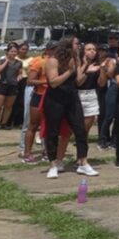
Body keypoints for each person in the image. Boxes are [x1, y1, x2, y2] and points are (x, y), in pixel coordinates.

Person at [43, 39, 99, 179]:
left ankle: (83, 162)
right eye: (76, 43)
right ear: (67, 45)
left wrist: (86, 68)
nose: (79, 46)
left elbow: (78, 81)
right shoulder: (53, 61)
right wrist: (69, 71)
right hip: (55, 99)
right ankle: (53, 165)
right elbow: (54, 82)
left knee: (80, 130)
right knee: (53, 132)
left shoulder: (75, 59)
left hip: (72, 97)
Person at [21, 42, 51, 163]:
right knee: (33, 125)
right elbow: (30, 80)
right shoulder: (39, 61)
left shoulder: (59, 62)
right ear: (47, 50)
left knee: (49, 125)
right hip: (39, 95)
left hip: (51, 96)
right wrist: (46, 83)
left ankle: (47, 151)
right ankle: (27, 152)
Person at [76, 42, 106, 139]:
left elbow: (101, 84)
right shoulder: (78, 63)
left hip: (91, 94)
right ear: (83, 52)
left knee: (87, 126)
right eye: (89, 49)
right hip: (77, 95)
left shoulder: (97, 65)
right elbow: (78, 82)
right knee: (76, 123)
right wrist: (86, 68)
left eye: (94, 49)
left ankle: (82, 143)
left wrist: (102, 70)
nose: (92, 51)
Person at [0, 43, 23, 131]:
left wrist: (19, 77)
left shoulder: (19, 63)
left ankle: (4, 123)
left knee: (9, 106)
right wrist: (6, 61)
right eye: (11, 51)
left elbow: (20, 73)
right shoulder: (2, 60)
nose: (13, 53)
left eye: (15, 51)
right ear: (7, 52)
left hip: (13, 86)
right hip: (2, 84)